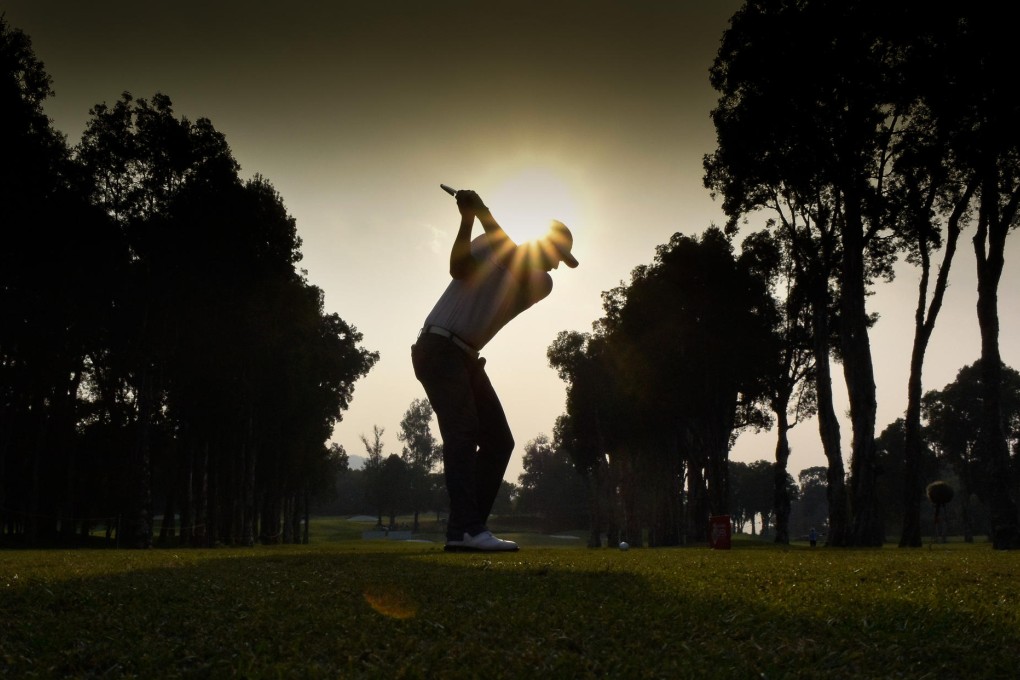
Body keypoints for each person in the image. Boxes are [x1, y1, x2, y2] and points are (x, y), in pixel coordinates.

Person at [411, 188, 578, 552]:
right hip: (437, 347)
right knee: (464, 430)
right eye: (556, 256)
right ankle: (467, 529)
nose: (555, 266)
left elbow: (515, 263)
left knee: (499, 440)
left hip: (464, 356)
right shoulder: (492, 243)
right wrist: (467, 220)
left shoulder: (541, 284)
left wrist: (483, 211)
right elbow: (459, 269)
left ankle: (465, 530)